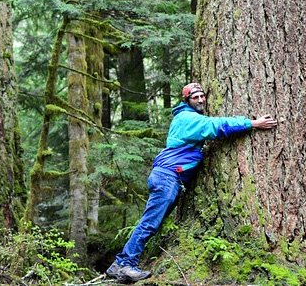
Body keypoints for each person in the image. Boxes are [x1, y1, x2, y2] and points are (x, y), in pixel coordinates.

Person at [106, 82, 277, 282]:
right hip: (167, 177)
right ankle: (125, 263)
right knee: (149, 223)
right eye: (195, 97)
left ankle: (118, 266)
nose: (201, 100)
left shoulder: (186, 118)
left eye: (202, 96)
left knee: (151, 222)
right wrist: (252, 124)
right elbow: (216, 126)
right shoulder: (187, 118)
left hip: (168, 177)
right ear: (187, 100)